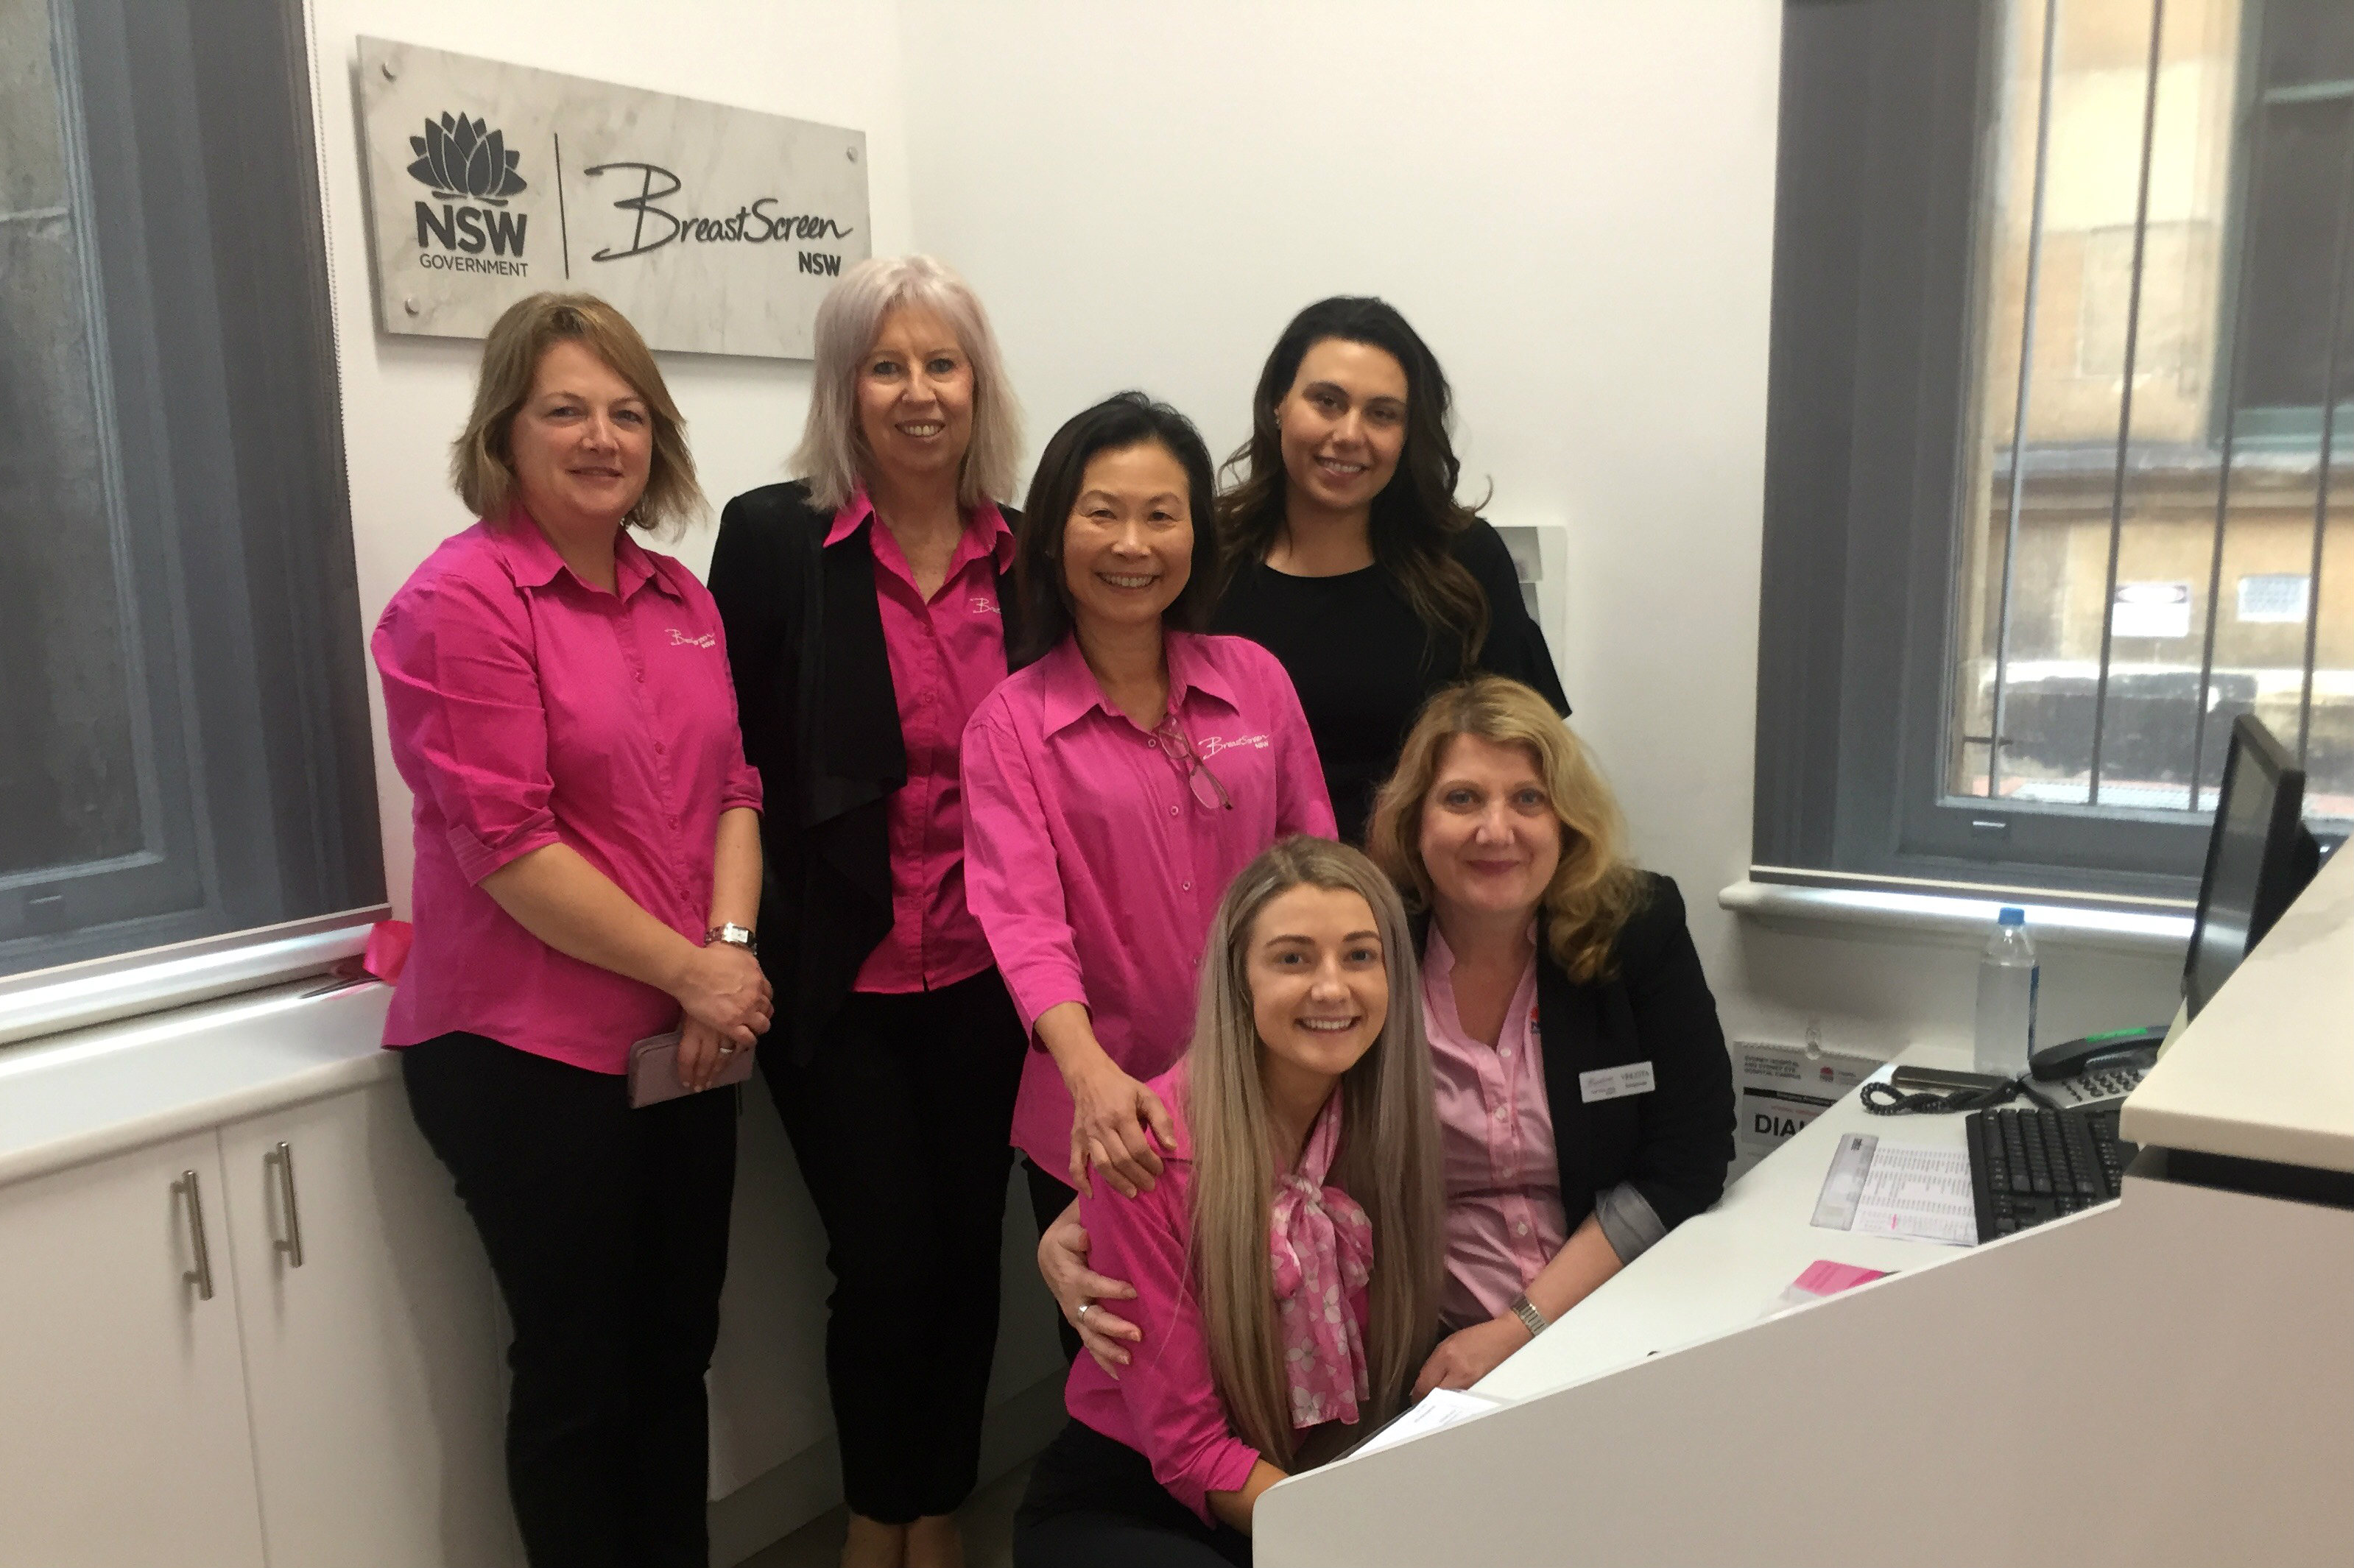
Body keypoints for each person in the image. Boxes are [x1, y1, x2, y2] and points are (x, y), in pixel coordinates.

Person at [373, 292, 768, 1568]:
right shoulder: (462, 603)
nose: (602, 437)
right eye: (566, 410)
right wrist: (697, 976)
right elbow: (510, 850)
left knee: (673, 1355)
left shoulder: (679, 597)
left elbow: (732, 793)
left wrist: (729, 954)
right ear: (505, 428)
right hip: (527, 1059)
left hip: (687, 1040)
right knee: (579, 1376)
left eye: (627, 412)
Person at [1043, 677, 1734, 1401]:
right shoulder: (1367, 948)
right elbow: (1228, 1083)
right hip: (1425, 1343)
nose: (1494, 830)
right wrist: (1084, 1213)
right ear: (1414, 822)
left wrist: (1521, 1325)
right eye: (1461, 799)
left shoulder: (1636, 931)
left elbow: (1689, 1159)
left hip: (1622, 1305)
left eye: (1527, 799)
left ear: (1564, 819)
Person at [706, 255, 1026, 1568]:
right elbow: (720, 752)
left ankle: (938, 1509)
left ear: (975, 384)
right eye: (883, 367)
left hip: (993, 976)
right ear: (845, 389)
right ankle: (874, 1513)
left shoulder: (1026, 553)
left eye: (938, 364)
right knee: (883, 1260)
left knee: (968, 1257)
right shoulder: (778, 539)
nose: (914, 393)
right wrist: (717, 945)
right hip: (834, 979)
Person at [961, 393, 1336, 1310]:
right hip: (1110, 1123)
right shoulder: (1009, 726)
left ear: (1195, 538)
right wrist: (1092, 1079)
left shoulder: (1255, 681)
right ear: (1051, 534)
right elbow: (1023, 923)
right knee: (1135, 1399)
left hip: (1269, 1095)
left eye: (1161, 515)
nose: (1133, 544)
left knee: (1288, 1366)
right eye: (1103, 512)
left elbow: (1317, 877)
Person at [1011, 836, 1445, 1567]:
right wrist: (1355, 1538)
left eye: (1359, 956)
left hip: (1309, 1474)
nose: (1332, 988)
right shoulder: (1149, 1150)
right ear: (1238, 979)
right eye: (1292, 958)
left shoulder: (1383, 1123)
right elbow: (1186, 1449)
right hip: (1141, 1497)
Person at [1212, 297, 1570, 843]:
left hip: (1425, 901)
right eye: (1326, 401)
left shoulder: (1464, 563)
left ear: (1407, 434)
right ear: (1278, 404)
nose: (1350, 433)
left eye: (1382, 413)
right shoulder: (1206, 562)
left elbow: (1530, 763)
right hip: (1244, 901)